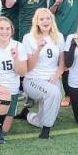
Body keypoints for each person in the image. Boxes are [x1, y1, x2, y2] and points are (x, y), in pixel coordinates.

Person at [22, 8, 65, 139]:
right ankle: (46, 131)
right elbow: (28, 67)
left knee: (52, 112)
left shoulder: (59, 37)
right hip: (33, 80)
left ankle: (27, 115)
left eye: (48, 18)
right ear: (36, 22)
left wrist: (56, 76)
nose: (45, 21)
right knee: (54, 94)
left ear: (52, 21)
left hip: (51, 79)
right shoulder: (28, 38)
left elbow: (62, 64)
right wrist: (38, 49)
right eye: (41, 19)